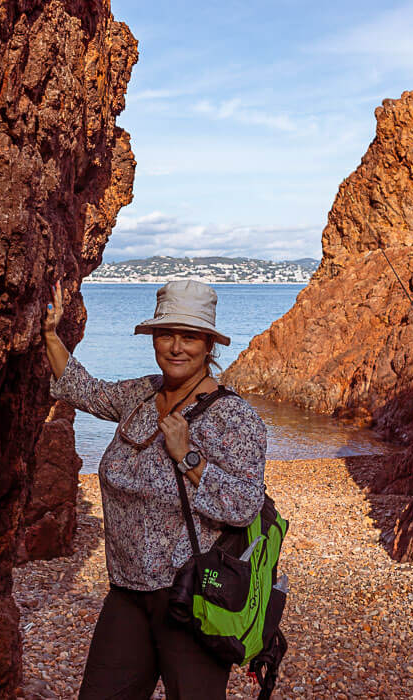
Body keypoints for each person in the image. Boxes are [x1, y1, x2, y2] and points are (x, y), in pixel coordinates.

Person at [42, 279, 267, 699]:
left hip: (190, 597)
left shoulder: (233, 418)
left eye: (190, 337)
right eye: (167, 334)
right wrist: (51, 336)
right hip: (127, 591)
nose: (176, 347)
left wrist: (189, 457)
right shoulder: (142, 394)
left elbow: (244, 505)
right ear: (154, 339)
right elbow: (84, 390)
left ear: (209, 346)